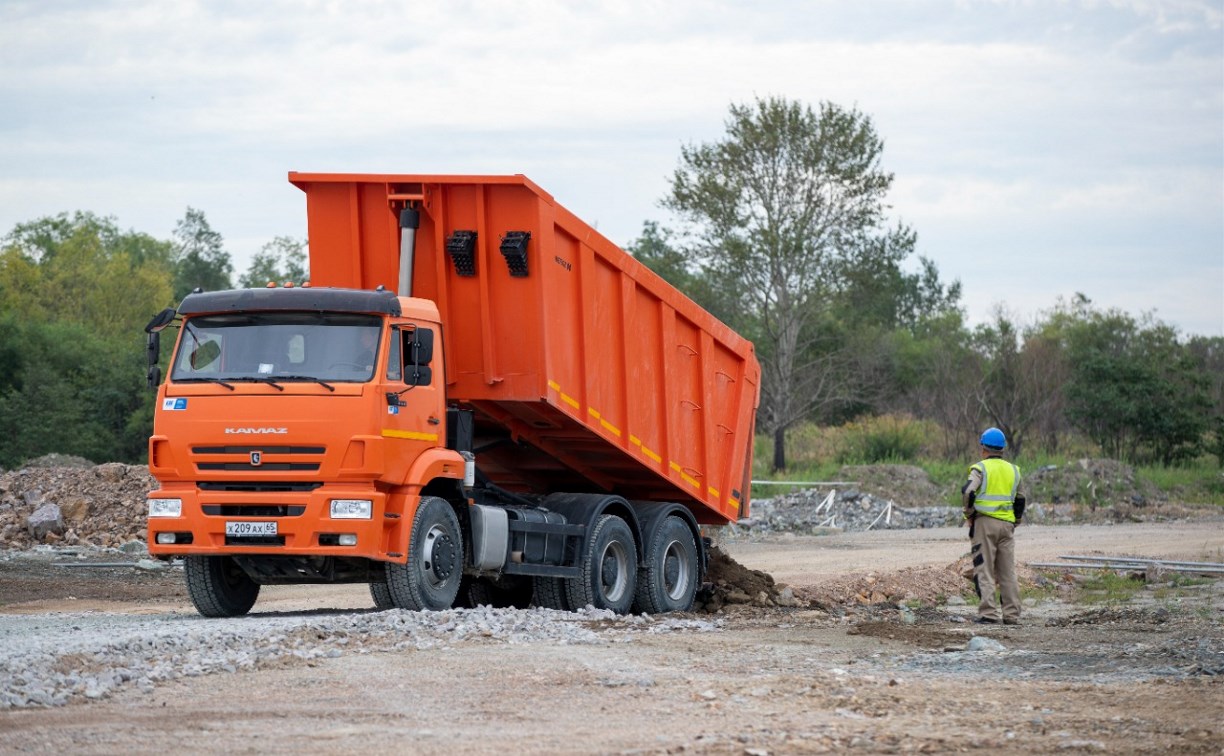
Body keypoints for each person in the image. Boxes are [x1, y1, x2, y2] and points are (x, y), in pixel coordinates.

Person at [962, 427, 1025, 625]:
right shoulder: (1014, 470)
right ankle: (1011, 615)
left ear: (983, 448)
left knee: (984, 568)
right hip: (1007, 526)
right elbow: (1021, 498)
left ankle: (988, 613)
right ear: (1003, 449)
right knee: (1008, 571)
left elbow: (968, 492)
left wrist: (969, 514)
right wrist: (1015, 520)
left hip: (984, 524)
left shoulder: (980, 469)